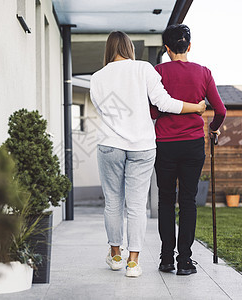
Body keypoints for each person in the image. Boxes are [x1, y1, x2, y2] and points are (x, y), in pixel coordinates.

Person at [89, 31, 206, 277]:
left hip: (110, 144)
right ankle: (133, 262)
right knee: (136, 205)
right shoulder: (144, 69)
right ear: (130, 48)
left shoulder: (97, 77)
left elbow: (101, 110)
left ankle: (115, 255)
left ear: (109, 49)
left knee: (113, 202)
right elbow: (163, 103)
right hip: (142, 146)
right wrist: (196, 107)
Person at [151, 24, 226, 275]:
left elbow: (152, 110)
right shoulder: (203, 72)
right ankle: (184, 260)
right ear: (189, 46)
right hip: (193, 144)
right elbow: (221, 110)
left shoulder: (157, 72)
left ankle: (165, 259)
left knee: (165, 200)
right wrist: (213, 128)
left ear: (167, 48)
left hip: (165, 145)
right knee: (188, 201)